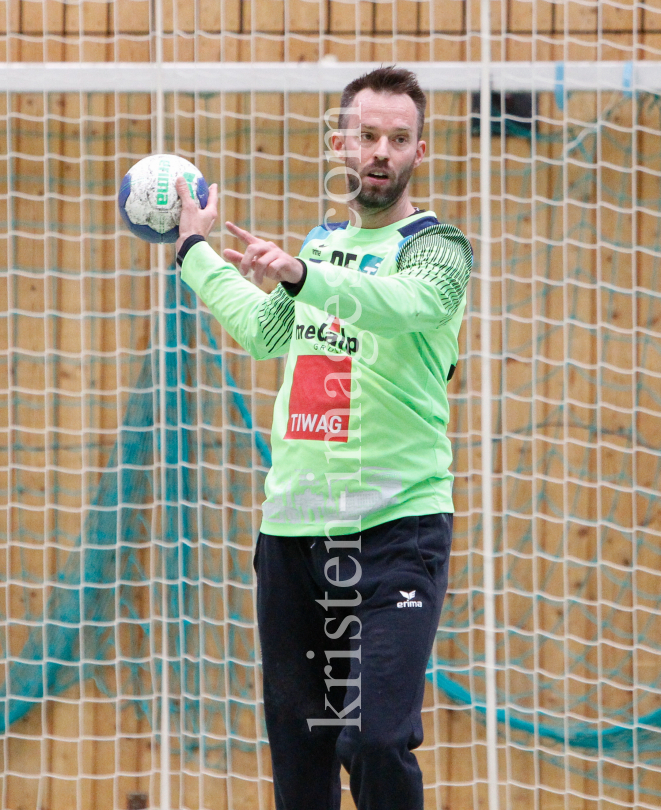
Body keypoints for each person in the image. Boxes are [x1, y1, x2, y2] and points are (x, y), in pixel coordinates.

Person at [174, 66, 472, 810]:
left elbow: (399, 303)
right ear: (341, 143)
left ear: (418, 151)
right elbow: (266, 333)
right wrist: (194, 254)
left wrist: (304, 273)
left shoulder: (436, 250)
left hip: (397, 530)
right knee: (301, 762)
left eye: (398, 139)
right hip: (297, 532)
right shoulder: (322, 243)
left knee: (374, 738)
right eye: (367, 136)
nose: (380, 151)